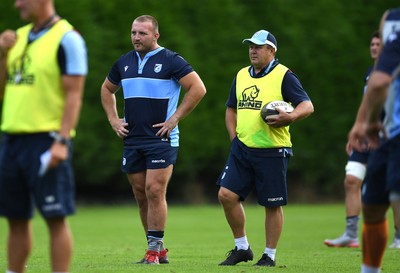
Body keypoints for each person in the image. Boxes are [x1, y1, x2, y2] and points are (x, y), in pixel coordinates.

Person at [100, 15, 206, 265]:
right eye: (134, 33)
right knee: (140, 194)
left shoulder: (171, 60)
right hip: (133, 139)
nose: (136, 37)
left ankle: (153, 252)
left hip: (161, 138)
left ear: (155, 35)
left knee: (155, 190)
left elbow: (198, 88)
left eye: (142, 33)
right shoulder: (123, 62)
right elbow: (106, 89)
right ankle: (157, 249)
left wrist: (175, 118)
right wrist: (114, 120)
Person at [0, 0, 88, 272]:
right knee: (15, 218)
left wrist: (62, 141)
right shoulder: (19, 37)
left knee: (55, 217)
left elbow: (74, 95)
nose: (17, 5)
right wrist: (2, 55)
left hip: (47, 141)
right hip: (12, 140)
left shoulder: (68, 39)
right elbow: (4, 91)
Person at [216, 30, 314, 267]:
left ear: (272, 51)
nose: (253, 50)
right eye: (251, 46)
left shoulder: (284, 75)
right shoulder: (241, 75)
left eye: (258, 47)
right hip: (242, 148)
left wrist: (290, 117)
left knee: (272, 204)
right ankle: (242, 248)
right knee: (226, 195)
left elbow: (307, 105)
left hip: (272, 149)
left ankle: (269, 255)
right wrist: (234, 138)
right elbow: (231, 109)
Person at [324, 31, 400, 249]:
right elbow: (367, 106)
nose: (374, 47)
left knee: (393, 188)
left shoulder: (394, 71)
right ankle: (350, 234)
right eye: (372, 43)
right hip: (366, 137)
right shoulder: (370, 72)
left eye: (379, 44)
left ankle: (398, 237)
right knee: (351, 180)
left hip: (387, 137)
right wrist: (357, 129)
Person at [348, 7, 400, 273]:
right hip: (389, 134)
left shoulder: (394, 24)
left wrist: (364, 124)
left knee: (378, 203)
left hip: (392, 135)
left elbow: (379, 84)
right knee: (374, 204)